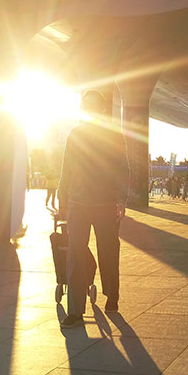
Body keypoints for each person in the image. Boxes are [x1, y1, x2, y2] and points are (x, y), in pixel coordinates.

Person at [57, 90, 130, 328]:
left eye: (94, 105)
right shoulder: (75, 134)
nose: (90, 109)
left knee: (108, 251)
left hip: (105, 203)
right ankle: (75, 310)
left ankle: (112, 296)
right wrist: (62, 197)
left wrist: (121, 199)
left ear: (101, 109)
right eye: (86, 105)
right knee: (75, 254)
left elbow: (122, 168)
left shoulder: (114, 135)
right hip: (77, 203)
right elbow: (66, 167)